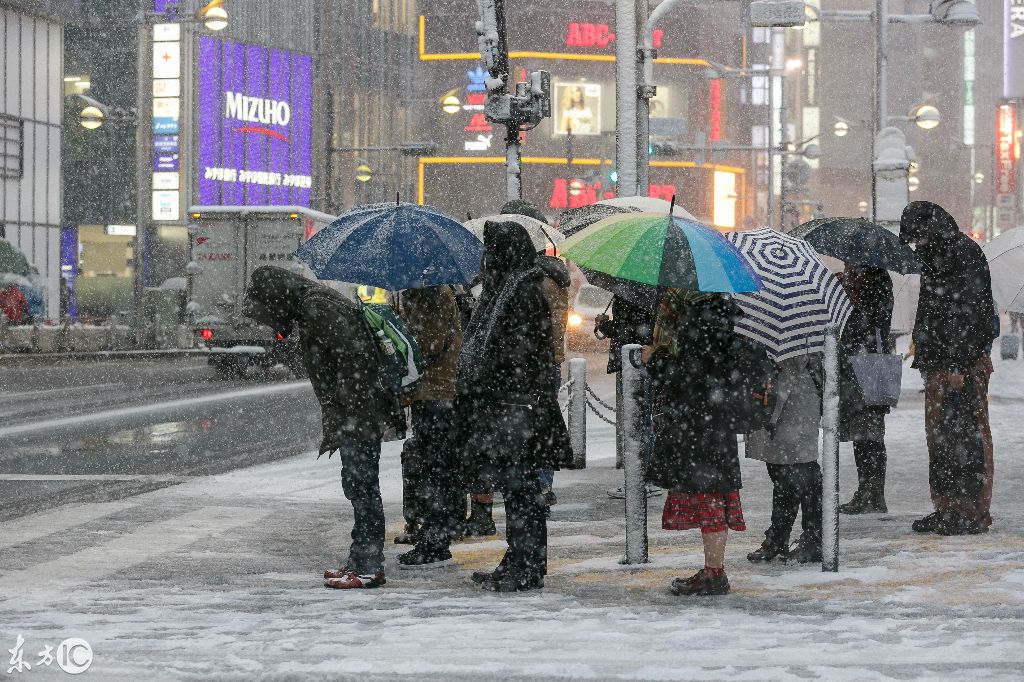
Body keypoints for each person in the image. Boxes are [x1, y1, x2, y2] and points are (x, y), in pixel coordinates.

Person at [242, 265, 404, 589]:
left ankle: (370, 565)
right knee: (359, 486)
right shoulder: (311, 305)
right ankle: (361, 560)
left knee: (362, 487)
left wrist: (345, 410)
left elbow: (353, 359)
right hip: (357, 409)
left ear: (277, 298)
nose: (270, 323)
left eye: (267, 314)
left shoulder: (317, 307)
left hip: (358, 410)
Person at [455, 220, 572, 592]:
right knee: (519, 489)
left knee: (522, 490)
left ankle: (526, 564)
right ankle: (521, 560)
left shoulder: (521, 291)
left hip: (518, 407)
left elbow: (517, 356)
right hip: (513, 405)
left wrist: (489, 379)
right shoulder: (509, 287)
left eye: (492, 251)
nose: (487, 259)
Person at [900, 201, 997, 535]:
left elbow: (968, 313)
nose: (916, 245)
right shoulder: (935, 255)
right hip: (941, 363)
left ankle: (971, 512)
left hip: (963, 365)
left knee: (967, 437)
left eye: (917, 238)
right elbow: (934, 310)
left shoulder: (962, 254)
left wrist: (957, 362)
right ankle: (946, 508)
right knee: (941, 438)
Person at [645, 290, 748, 596]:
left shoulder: (699, 319)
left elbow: (688, 375)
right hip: (716, 422)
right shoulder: (723, 317)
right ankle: (714, 571)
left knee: (709, 498)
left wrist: (656, 360)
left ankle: (714, 574)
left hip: (698, 424)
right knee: (715, 495)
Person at [394, 285, 463, 568]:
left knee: (436, 468)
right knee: (431, 466)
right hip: (431, 392)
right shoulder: (425, 293)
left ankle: (436, 540)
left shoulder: (433, 293)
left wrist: (401, 337)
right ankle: (434, 533)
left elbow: (430, 344)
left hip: (438, 392)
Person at [745, 350, 824, 565]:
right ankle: (780, 536)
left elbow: (804, 358)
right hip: (775, 391)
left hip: (797, 394)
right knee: (781, 470)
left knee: (802, 470)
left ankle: (813, 538)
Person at [837, 264, 895, 515]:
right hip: (861, 364)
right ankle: (868, 491)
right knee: (863, 435)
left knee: (870, 434)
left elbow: (867, 323)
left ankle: (872, 493)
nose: (848, 266)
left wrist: (849, 295)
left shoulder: (877, 284)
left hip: (871, 364)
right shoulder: (863, 283)